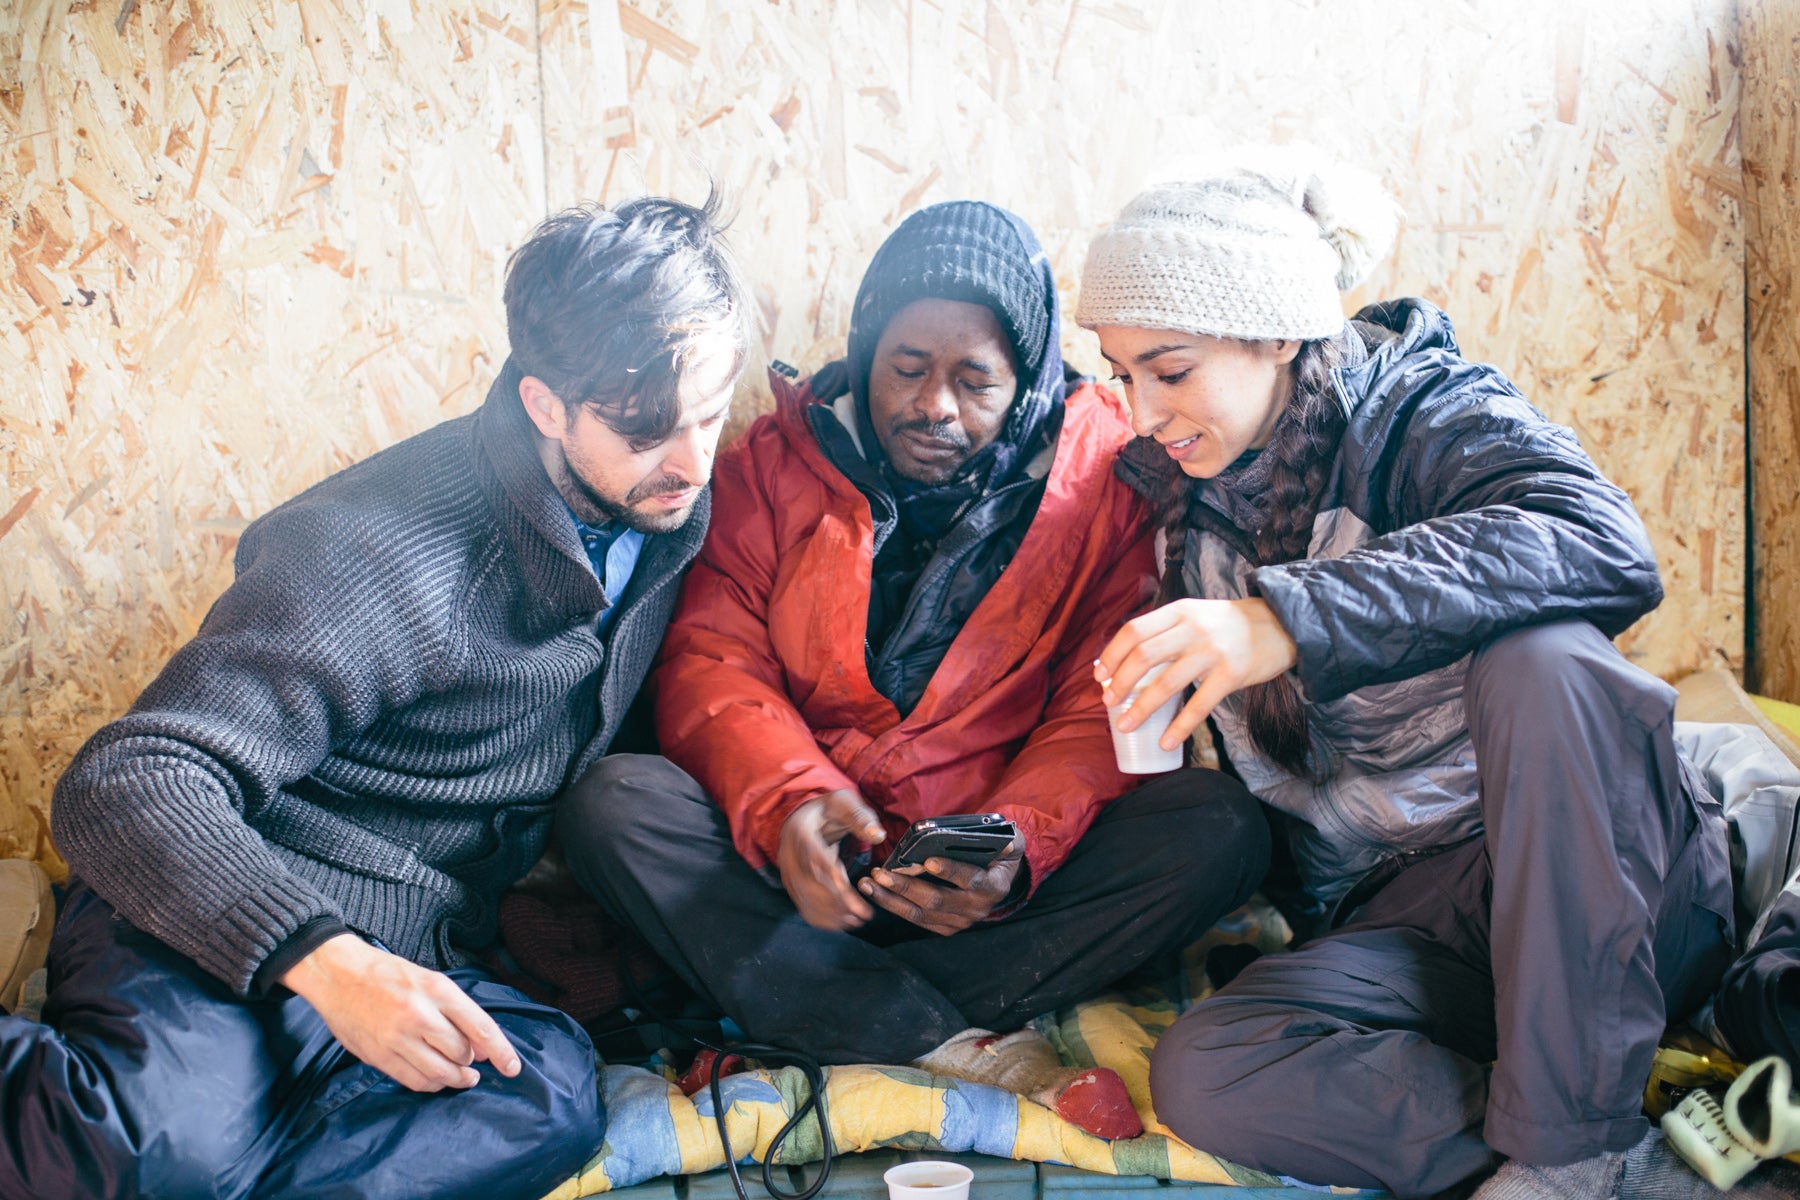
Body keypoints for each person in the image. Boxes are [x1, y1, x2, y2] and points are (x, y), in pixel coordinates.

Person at [0, 195, 753, 1200]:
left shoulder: (665, 509)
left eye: (710, 413)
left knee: (548, 1095)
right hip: (209, 910)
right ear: (544, 405)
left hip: (419, 946)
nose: (694, 463)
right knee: (158, 1156)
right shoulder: (376, 552)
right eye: (651, 429)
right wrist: (329, 961)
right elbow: (124, 782)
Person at [1074, 152, 1783, 1199]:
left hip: (1607, 897)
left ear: (1278, 334)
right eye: (1118, 372)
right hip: (1416, 925)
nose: (1139, 412)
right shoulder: (1181, 496)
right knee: (1212, 1070)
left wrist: (1287, 620)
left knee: (1541, 655)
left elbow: (1597, 541)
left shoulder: (1420, 412)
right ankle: (1613, 1157)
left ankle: (1567, 1146)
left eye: (1169, 371)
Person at [557, 200, 1270, 1139]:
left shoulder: (1106, 486)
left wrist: (1008, 849)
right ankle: (971, 1043)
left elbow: (1097, 708)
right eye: (906, 369)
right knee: (612, 801)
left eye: (975, 379)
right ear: (864, 354)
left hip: (984, 899)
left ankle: (810, 1015)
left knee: (1219, 828)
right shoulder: (772, 465)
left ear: (1026, 384)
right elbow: (713, 664)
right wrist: (792, 807)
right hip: (794, 878)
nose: (934, 405)